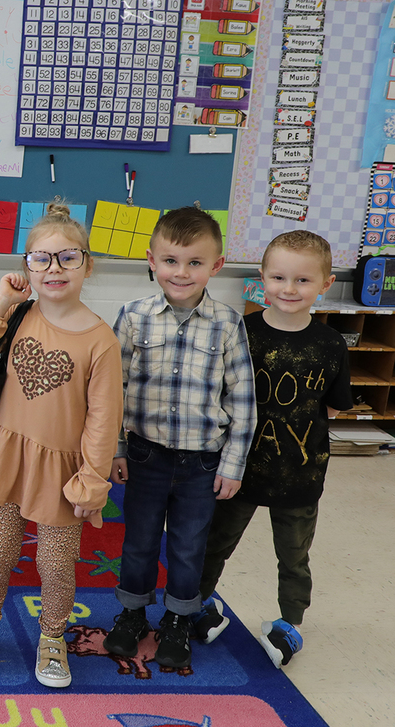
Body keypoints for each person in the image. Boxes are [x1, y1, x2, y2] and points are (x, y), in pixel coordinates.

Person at [0, 205, 123, 688]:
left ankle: (51, 638)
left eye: (68, 258)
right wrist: (2, 300)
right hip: (9, 455)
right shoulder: (19, 314)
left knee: (55, 563)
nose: (54, 269)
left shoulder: (101, 340)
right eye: (41, 258)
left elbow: (103, 419)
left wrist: (92, 477)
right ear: (26, 265)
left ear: (88, 265)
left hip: (63, 470)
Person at [104, 206, 256, 669]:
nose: (181, 272)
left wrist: (233, 465)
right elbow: (113, 392)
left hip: (202, 464)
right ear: (151, 260)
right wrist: (117, 449)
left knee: (189, 547)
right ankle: (131, 614)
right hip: (146, 457)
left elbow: (244, 401)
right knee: (139, 541)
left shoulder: (229, 323)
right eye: (171, 260)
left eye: (195, 262)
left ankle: (177, 620)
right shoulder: (133, 317)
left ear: (217, 265)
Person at [195, 231, 352, 668]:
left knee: (294, 555)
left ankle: (290, 622)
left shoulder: (331, 344)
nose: (288, 288)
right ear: (261, 277)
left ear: (325, 283)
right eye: (279, 277)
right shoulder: (239, 332)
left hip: (301, 476)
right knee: (215, 543)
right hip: (237, 472)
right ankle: (200, 604)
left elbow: (334, 409)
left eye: (303, 280)